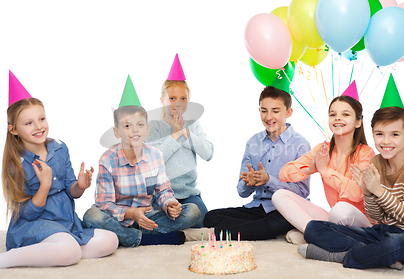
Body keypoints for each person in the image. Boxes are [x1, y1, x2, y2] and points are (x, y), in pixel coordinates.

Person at [0, 74, 118, 274]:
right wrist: (44, 185)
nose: (38, 127)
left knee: (110, 240)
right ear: (13, 130)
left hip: (65, 223)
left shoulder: (59, 148)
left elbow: (72, 192)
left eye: (41, 119)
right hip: (34, 226)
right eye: (28, 123)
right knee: (70, 250)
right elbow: (27, 213)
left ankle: (58, 250)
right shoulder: (16, 163)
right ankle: (0, 260)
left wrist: (80, 185)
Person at [299, 77, 404, 270]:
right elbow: (376, 215)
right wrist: (368, 192)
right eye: (380, 134)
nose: (386, 141)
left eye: (395, 134)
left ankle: (340, 257)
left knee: (393, 245)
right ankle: (378, 255)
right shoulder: (376, 162)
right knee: (314, 228)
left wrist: (378, 191)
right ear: (372, 134)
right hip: (380, 231)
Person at [82, 75, 200, 247]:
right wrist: (131, 213)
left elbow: (162, 191)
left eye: (140, 125)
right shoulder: (108, 160)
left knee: (193, 212)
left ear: (147, 129)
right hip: (119, 218)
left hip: (149, 217)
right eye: (127, 126)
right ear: (117, 132)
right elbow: (104, 204)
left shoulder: (155, 155)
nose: (135, 131)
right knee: (91, 216)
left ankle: (131, 236)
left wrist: (170, 204)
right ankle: (142, 238)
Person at [200, 86, 311, 240]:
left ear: (288, 113)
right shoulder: (253, 142)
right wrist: (249, 183)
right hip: (258, 208)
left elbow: (303, 192)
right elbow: (241, 192)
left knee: (277, 222)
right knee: (211, 217)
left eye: (275, 111)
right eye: (264, 110)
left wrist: (269, 181)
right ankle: (257, 229)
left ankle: (222, 233)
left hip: (286, 210)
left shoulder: (301, 144)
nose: (268, 116)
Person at [273, 93, 376, 237]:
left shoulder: (365, 153)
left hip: (361, 221)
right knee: (279, 195)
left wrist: (325, 171)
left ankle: (320, 235)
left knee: (340, 209)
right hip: (334, 217)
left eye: (345, 114)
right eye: (333, 114)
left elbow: (357, 193)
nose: (337, 118)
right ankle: (315, 234)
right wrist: (310, 169)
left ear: (358, 122)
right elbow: (284, 173)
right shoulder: (323, 150)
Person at [145, 54, 213, 227]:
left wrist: (185, 132)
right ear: (162, 101)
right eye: (172, 99)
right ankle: (163, 224)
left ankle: (163, 227)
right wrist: (175, 135)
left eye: (183, 98)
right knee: (157, 213)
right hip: (159, 195)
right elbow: (153, 160)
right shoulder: (153, 127)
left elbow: (208, 153)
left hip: (188, 195)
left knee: (200, 216)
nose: (178, 104)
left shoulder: (193, 125)